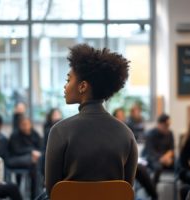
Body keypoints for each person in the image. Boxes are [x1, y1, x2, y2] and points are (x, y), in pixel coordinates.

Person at [41, 44, 138, 199]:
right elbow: (126, 189)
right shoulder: (127, 134)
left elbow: (52, 191)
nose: (65, 86)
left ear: (83, 86)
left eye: (68, 79)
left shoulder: (59, 131)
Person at [113, 107, 158, 200]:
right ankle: (154, 196)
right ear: (114, 118)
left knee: (142, 168)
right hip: (117, 164)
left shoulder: (125, 131)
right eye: (119, 116)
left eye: (123, 116)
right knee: (140, 169)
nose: (122, 119)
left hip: (125, 161)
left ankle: (153, 196)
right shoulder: (113, 131)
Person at [7, 116, 42, 199]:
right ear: (19, 125)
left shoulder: (35, 134)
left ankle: (34, 194)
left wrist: (35, 153)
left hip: (31, 162)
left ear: (31, 125)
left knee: (36, 165)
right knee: (34, 161)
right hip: (14, 159)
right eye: (23, 124)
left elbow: (40, 148)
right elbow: (16, 150)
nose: (25, 126)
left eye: (27, 124)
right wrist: (31, 151)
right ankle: (35, 194)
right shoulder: (15, 135)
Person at [143, 113, 174, 185]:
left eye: (168, 126)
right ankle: (153, 189)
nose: (167, 127)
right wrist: (162, 158)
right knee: (158, 168)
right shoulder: (150, 134)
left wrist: (167, 157)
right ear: (159, 124)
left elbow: (172, 149)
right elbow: (150, 151)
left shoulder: (170, 133)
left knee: (179, 164)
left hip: (166, 158)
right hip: (153, 158)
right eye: (165, 126)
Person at [42, 108, 62, 176]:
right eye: (55, 114)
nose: (57, 116)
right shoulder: (47, 127)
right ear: (51, 116)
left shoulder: (64, 125)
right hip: (48, 151)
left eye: (58, 114)